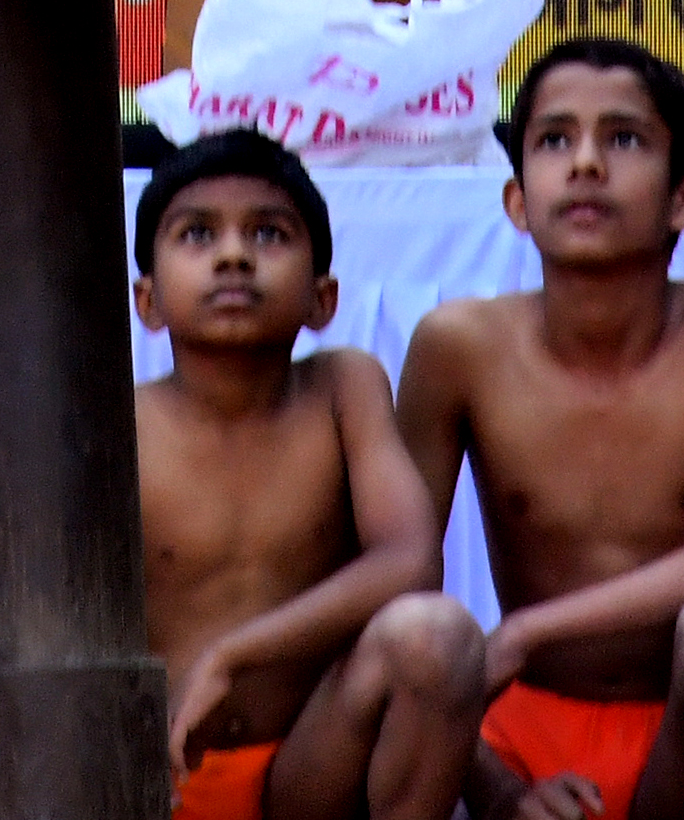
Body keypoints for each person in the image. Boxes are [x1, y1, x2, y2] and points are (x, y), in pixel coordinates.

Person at [393, 36, 684, 820]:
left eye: (623, 139)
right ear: (517, 200)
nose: (585, 164)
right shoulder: (458, 347)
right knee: (416, 633)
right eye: (554, 140)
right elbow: (391, 595)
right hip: (518, 736)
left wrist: (527, 630)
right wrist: (501, 793)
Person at [134, 127, 480, 819]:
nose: (234, 255)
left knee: (434, 633)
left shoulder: (343, 388)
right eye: (198, 235)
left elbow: (411, 560)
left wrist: (233, 655)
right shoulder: (120, 424)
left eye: (268, 234)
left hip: (311, 773)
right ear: (149, 302)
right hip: (156, 774)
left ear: (323, 299)